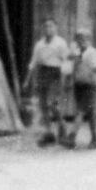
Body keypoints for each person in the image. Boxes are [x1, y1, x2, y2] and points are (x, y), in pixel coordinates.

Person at [62, 29, 96, 149]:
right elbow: (68, 68)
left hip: (90, 86)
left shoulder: (93, 53)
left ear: (89, 40)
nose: (81, 41)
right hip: (78, 85)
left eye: (84, 39)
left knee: (80, 111)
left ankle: (72, 136)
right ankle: (95, 139)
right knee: (90, 113)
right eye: (79, 39)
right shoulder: (75, 54)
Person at [24, 18, 69, 147]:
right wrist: (27, 80)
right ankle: (49, 134)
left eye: (51, 26)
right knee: (43, 106)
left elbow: (66, 61)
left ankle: (62, 130)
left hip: (56, 74)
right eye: (46, 27)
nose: (48, 29)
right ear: (43, 29)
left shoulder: (60, 43)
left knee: (52, 104)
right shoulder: (39, 44)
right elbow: (33, 63)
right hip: (43, 74)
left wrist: (64, 78)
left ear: (56, 28)